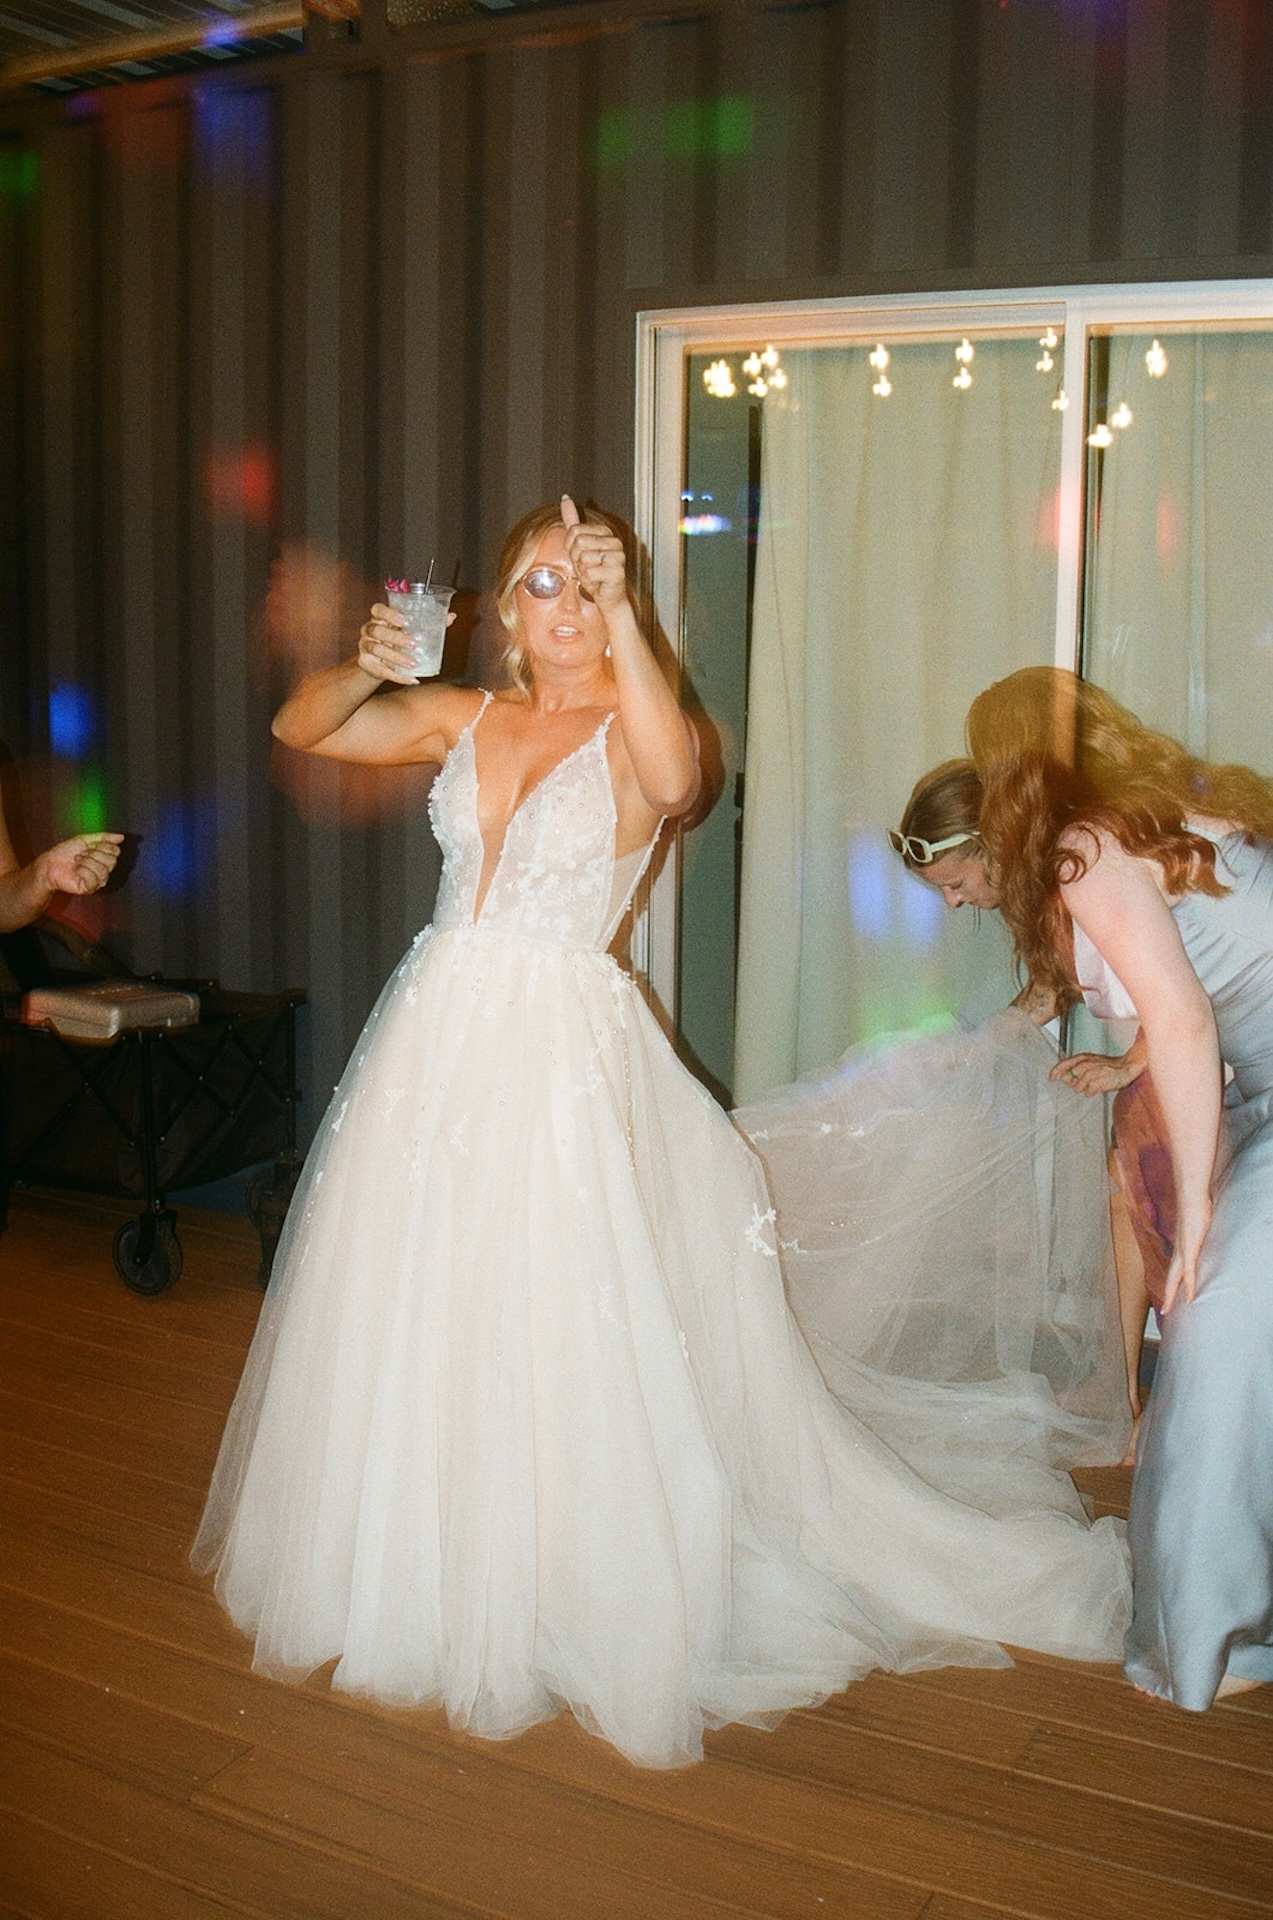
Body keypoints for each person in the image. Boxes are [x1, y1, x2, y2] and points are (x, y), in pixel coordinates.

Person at [193, 502, 1129, 1769]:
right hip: (433, 1031)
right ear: (506, 608)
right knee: (423, 1294)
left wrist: (628, 614)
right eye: (540, 585)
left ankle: (561, 1567)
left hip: (559, 1046)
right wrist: (372, 656)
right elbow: (301, 725)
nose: (563, 610)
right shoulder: (461, 717)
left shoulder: (645, 735)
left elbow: (683, 782)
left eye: (586, 588)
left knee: (555, 1306)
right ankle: (428, 1554)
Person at [967, 664, 1273, 1709]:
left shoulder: (1086, 847)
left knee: (1217, 1332)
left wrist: (1193, 1221)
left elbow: (1184, 1022)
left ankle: (1217, 1641)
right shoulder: (1164, 815)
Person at [892, 758, 1162, 1434]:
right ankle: (1122, 1391)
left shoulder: (1083, 873)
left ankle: (1147, 1402)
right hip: (1159, 1053)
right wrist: (979, 1046)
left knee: (1155, 1216)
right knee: (1127, 1204)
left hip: (1200, 1052)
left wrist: (1129, 1063)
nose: (953, 903)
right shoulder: (1050, 893)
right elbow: (1047, 992)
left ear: (993, 850)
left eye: (955, 883)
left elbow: (1182, 986)